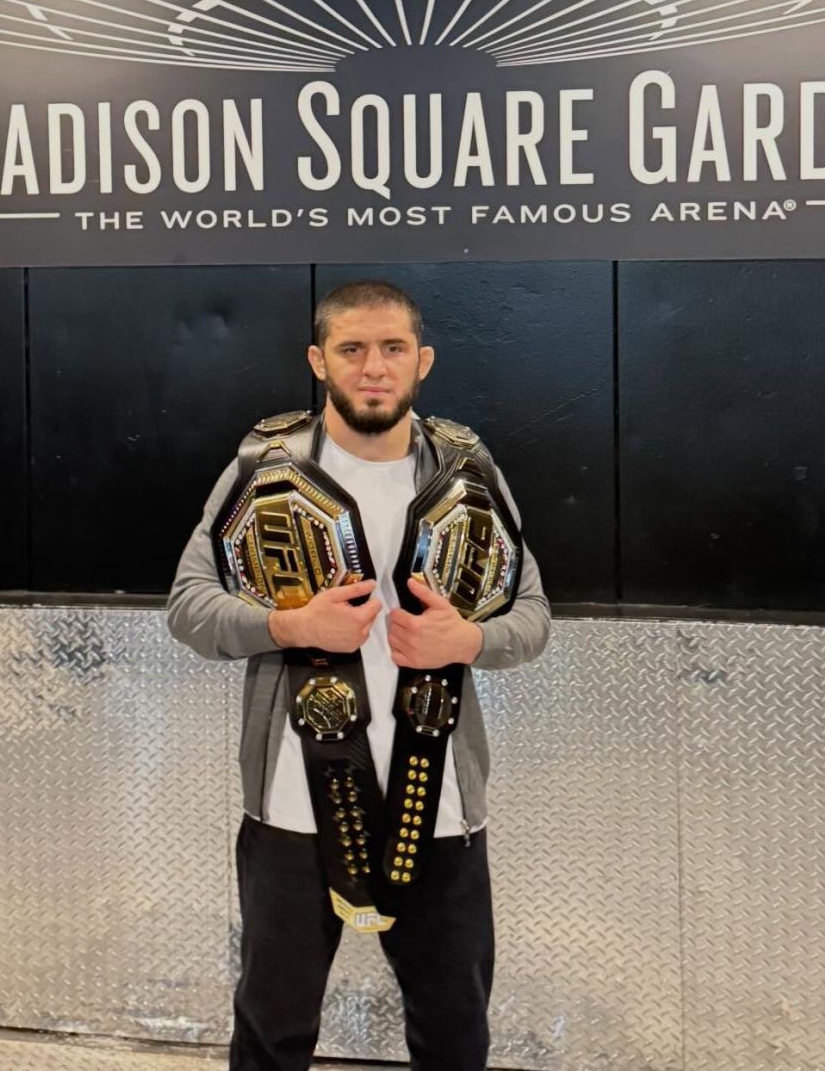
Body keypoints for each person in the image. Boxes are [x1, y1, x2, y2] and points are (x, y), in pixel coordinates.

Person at [166, 280, 551, 1071]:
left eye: (392, 348)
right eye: (352, 349)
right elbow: (188, 608)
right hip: (290, 808)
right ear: (319, 361)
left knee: (456, 1036)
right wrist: (288, 627)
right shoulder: (260, 467)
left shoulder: (469, 468)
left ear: (422, 361)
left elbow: (535, 619)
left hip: (440, 808)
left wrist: (467, 641)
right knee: (271, 1034)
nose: (373, 367)